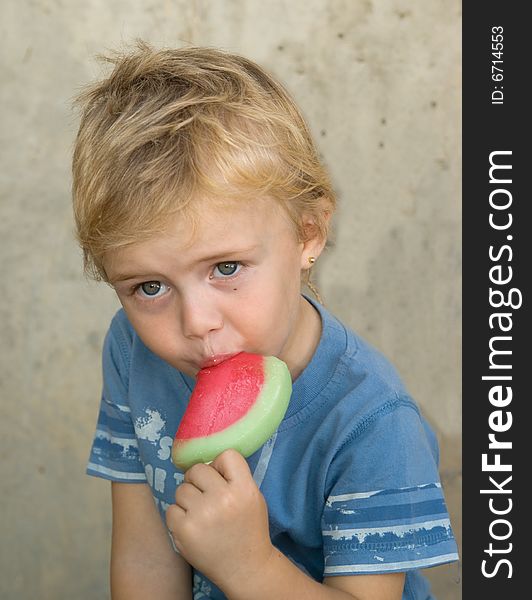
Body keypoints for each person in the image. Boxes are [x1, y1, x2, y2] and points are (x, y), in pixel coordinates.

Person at [72, 42, 459, 600]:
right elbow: (145, 558)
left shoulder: (372, 423)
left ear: (308, 233)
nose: (196, 322)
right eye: (149, 287)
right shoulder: (133, 349)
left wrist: (247, 565)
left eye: (226, 268)